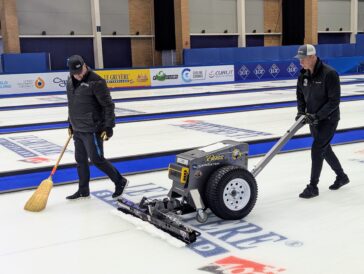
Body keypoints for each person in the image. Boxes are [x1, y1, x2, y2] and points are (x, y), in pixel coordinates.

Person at [65, 55, 128, 200]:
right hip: (78, 128)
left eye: (80, 71)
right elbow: (72, 104)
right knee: (80, 160)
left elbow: (108, 105)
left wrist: (108, 127)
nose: (79, 75)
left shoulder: (97, 81)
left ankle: (120, 181)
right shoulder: (69, 80)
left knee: (96, 159)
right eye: (75, 73)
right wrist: (70, 123)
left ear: (85, 65)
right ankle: (83, 190)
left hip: (92, 129)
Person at [294, 44, 349, 199]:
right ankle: (342, 177)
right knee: (325, 149)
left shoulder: (329, 74)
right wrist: (301, 111)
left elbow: (334, 101)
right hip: (313, 119)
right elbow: (300, 95)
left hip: (329, 119)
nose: (300, 62)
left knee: (317, 148)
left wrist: (317, 116)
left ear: (312, 57)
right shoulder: (303, 75)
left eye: (303, 59)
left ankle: (313, 186)